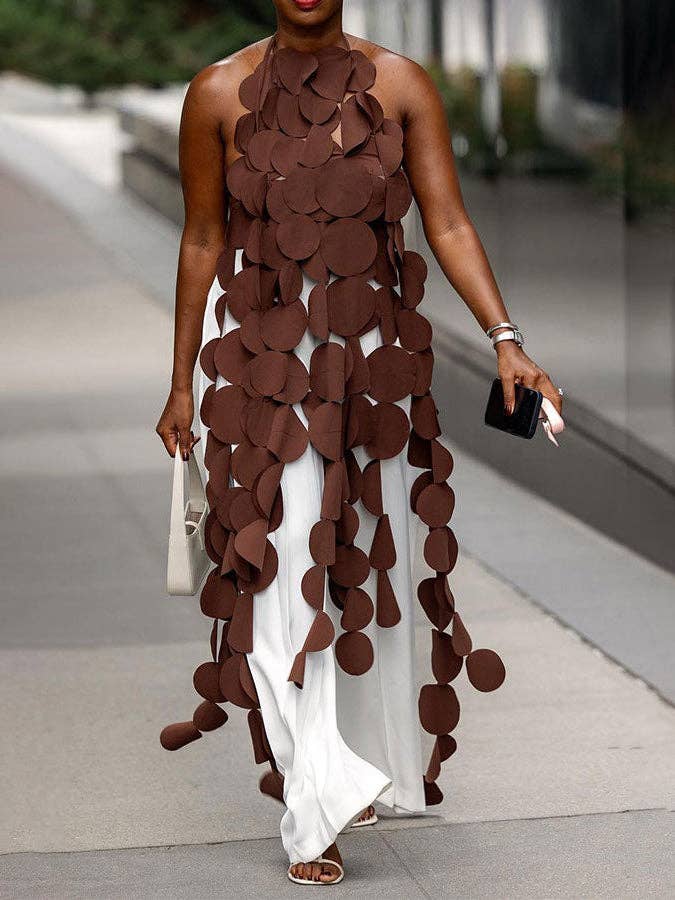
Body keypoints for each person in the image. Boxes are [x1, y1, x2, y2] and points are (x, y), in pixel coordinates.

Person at [156, 0, 563, 886]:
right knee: (279, 570)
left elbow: (446, 223)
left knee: (364, 570)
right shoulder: (217, 93)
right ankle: (316, 805)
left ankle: (350, 758)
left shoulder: (400, 84)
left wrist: (505, 338)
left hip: (376, 373)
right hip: (263, 373)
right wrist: (183, 379)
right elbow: (201, 237)